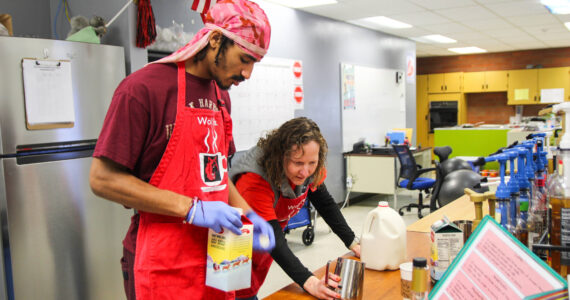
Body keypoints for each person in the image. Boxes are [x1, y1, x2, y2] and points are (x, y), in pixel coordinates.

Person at [88, 1, 276, 299]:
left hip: (218, 256)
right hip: (163, 260)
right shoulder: (142, 89)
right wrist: (191, 209)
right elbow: (102, 179)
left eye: (255, 63)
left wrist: (248, 213)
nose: (248, 73)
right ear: (215, 40)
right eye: (244, 59)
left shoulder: (221, 96)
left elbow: (216, 175)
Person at [229, 117, 362, 300]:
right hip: (234, 251)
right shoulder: (255, 180)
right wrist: (310, 281)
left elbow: (325, 203)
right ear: (280, 156)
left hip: (263, 249)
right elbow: (272, 238)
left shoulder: (308, 163)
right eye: (298, 163)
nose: (306, 172)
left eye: (312, 163)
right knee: (238, 295)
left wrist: (354, 244)